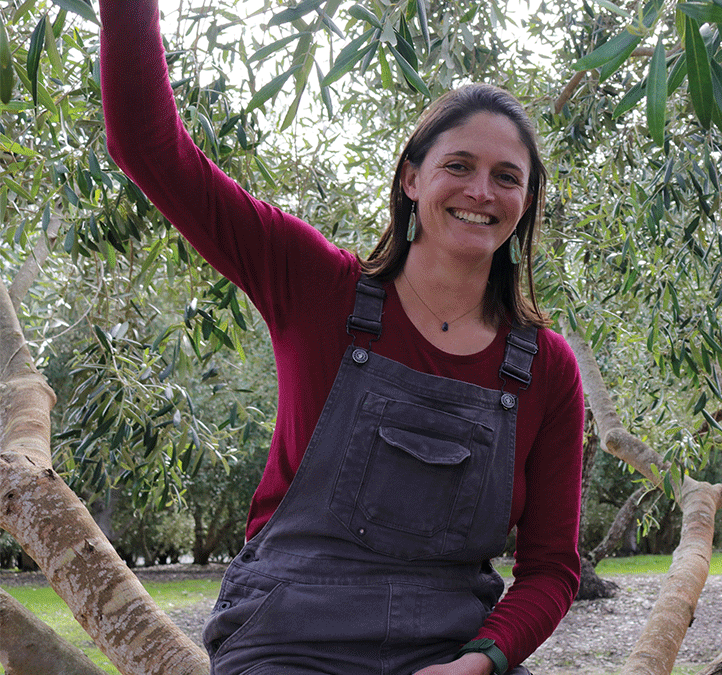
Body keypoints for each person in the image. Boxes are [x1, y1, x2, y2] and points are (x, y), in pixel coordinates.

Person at [98, 2, 585, 674]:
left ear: (525, 203)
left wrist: (479, 660)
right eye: (460, 165)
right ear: (412, 177)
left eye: (507, 177)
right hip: (287, 639)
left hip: (450, 650)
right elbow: (149, 149)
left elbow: (552, 568)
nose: (481, 190)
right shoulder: (315, 285)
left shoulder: (546, 369)